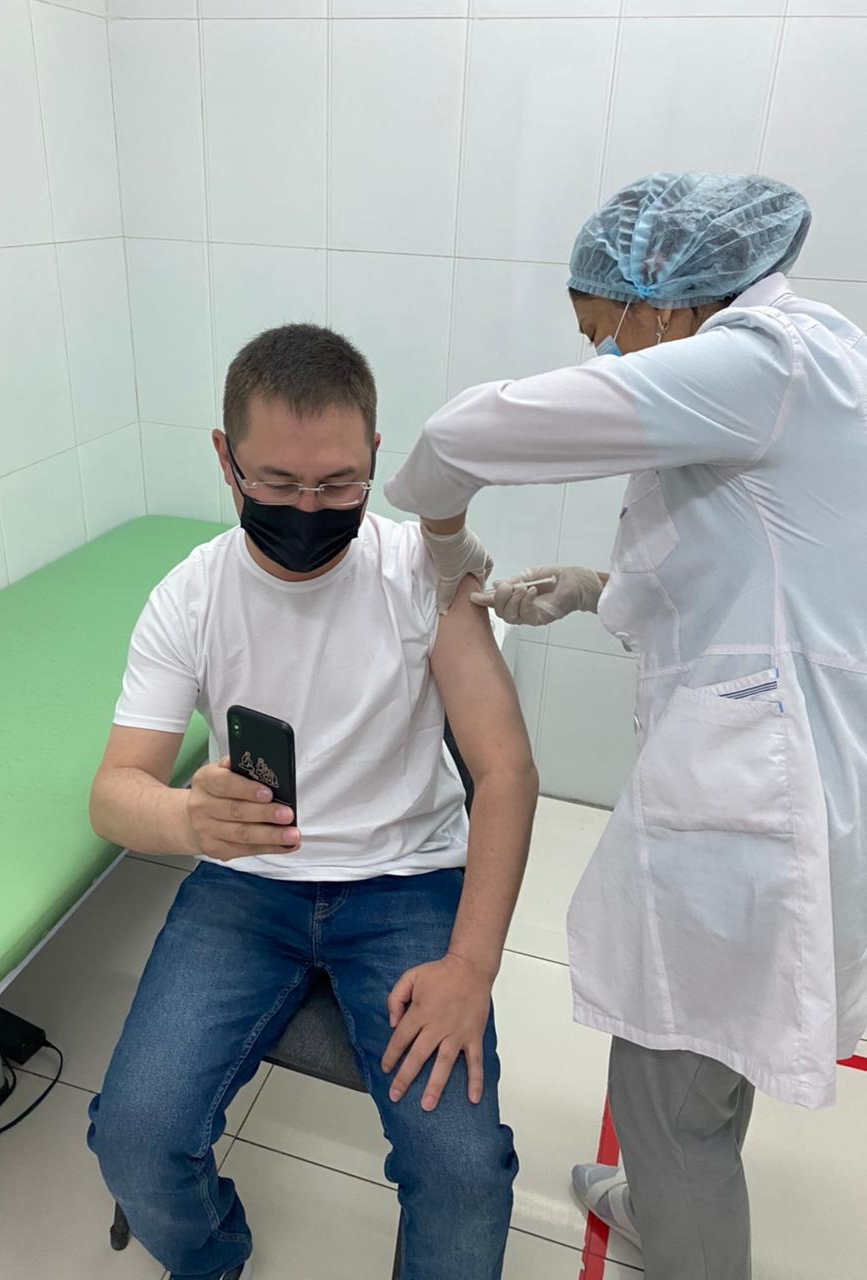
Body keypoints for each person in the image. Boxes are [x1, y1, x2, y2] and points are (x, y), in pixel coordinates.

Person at [383, 172, 867, 1280]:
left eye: (606, 332)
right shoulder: (819, 357)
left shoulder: (757, 365)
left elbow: (462, 433)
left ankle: (677, 1218)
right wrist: (596, 588)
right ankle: (663, 1197)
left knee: (671, 1102)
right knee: (710, 1064)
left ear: (666, 298)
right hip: (799, 778)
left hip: (754, 815)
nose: (606, 355)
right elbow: (765, 582)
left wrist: (444, 542)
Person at [86, 324, 539, 1280]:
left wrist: (471, 965)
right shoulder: (191, 596)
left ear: (375, 454)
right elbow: (114, 793)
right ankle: (213, 1255)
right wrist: (187, 817)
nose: (307, 509)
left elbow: (504, 770)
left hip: (407, 883)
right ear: (226, 459)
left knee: (465, 1176)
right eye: (279, 483)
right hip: (247, 886)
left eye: (337, 484)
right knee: (133, 1137)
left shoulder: (423, 574)